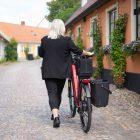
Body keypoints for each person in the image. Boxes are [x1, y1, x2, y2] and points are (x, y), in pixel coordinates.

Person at [38, 19, 93, 128]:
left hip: (48, 71)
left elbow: (41, 54)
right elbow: (77, 50)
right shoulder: (66, 40)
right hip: (62, 71)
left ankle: (55, 116)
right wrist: (88, 53)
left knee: (51, 93)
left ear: (52, 28)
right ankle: (55, 113)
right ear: (62, 28)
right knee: (58, 93)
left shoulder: (44, 40)